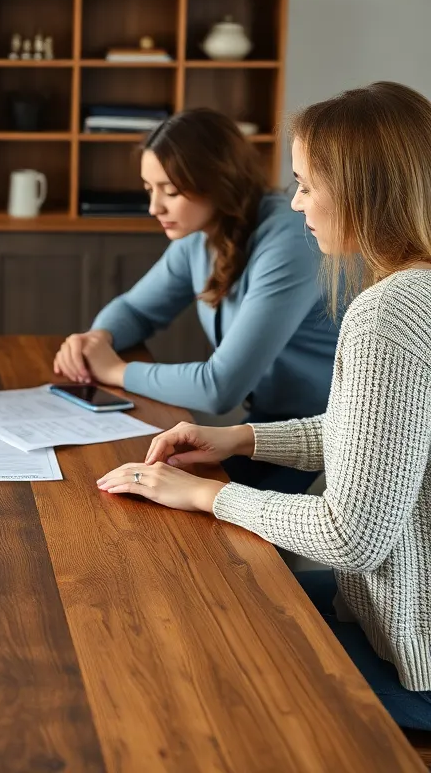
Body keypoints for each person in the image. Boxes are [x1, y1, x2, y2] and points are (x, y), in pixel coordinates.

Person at [97, 82, 431, 730]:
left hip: (411, 660)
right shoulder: (414, 293)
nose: (298, 200)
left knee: (186, 651)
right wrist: (241, 440)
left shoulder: (389, 313)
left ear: (361, 188)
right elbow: (374, 435)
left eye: (307, 183)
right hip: (376, 617)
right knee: (205, 605)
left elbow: (349, 536)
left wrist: (199, 495)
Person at [55, 109, 338, 493]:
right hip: (263, 426)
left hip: (319, 436)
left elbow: (219, 388)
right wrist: (98, 337)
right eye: (148, 189)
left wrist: (113, 371)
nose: (155, 207)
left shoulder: (289, 241)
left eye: (170, 191)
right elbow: (136, 308)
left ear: (217, 182)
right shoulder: (200, 234)